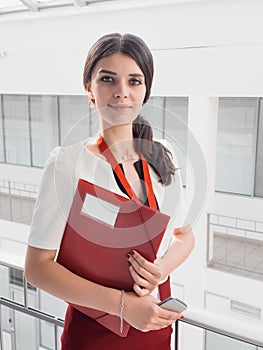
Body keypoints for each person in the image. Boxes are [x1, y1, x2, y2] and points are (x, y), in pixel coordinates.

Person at [24, 32, 195, 350]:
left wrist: (161, 269)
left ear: (145, 91)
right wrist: (123, 306)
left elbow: (184, 235)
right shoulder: (68, 163)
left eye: (134, 81)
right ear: (89, 89)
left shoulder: (163, 155)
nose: (122, 93)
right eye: (108, 79)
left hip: (155, 326)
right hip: (95, 335)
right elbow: (37, 267)